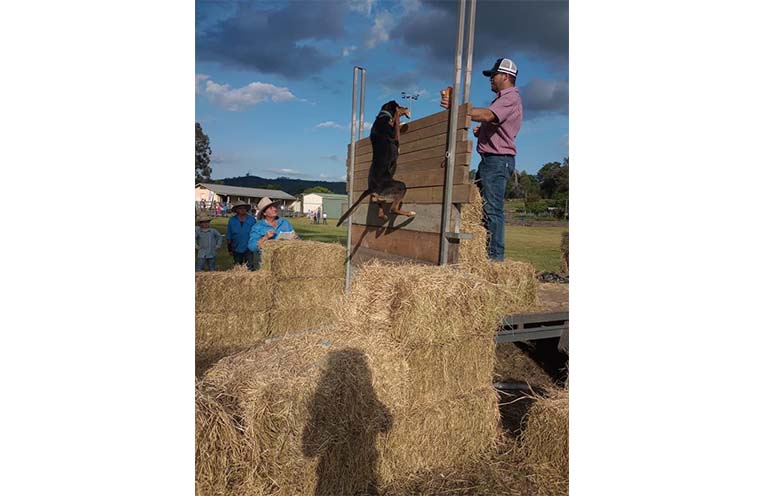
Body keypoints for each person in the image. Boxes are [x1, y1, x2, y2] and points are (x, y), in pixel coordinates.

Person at [442, 57, 523, 261]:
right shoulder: (502, 99)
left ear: (505, 76)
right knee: (480, 208)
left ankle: (495, 258)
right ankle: (482, 255)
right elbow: (494, 122)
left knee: (492, 209)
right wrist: (483, 131)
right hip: (491, 160)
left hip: (497, 160)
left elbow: (488, 115)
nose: (490, 79)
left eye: (493, 75)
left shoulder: (510, 97)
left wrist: (457, 108)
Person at [248, 196, 299, 268]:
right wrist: (265, 237)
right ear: (264, 213)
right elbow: (251, 247)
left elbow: (297, 239)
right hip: (267, 264)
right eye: (271, 208)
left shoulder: (285, 223)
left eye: (275, 207)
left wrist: (295, 239)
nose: (275, 209)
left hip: (285, 263)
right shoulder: (257, 227)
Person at [226, 200, 257, 270]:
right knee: (238, 267)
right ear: (236, 210)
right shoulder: (232, 220)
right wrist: (229, 249)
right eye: (240, 208)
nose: (243, 210)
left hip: (249, 247)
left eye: (244, 208)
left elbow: (256, 233)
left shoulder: (252, 220)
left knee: (249, 267)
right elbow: (229, 235)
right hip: (236, 247)